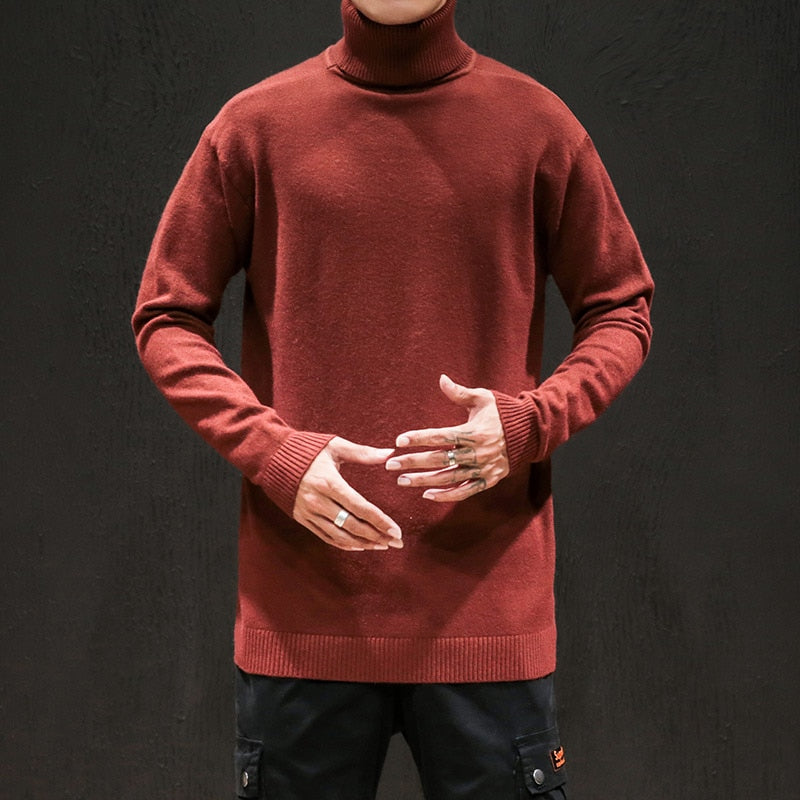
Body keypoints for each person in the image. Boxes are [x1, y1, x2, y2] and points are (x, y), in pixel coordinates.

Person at [132, 0, 654, 796]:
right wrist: (276, 454)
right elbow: (166, 315)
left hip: (486, 619)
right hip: (305, 619)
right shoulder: (256, 127)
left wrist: (530, 424)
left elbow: (621, 306)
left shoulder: (536, 126)